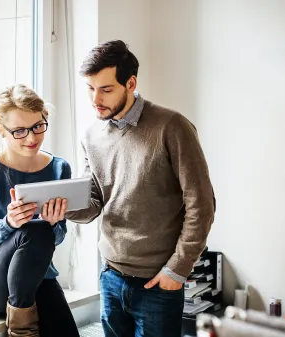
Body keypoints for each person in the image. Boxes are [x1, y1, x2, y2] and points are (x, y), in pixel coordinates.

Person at [65, 40, 216, 337]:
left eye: (106, 89)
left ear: (130, 83)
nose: (96, 99)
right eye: (90, 88)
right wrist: (62, 208)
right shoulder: (91, 135)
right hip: (110, 276)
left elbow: (202, 203)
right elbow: (94, 200)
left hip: (158, 281)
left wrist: (178, 269)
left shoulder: (172, 126)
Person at [0, 84, 79, 337]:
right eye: (19, 131)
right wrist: (9, 223)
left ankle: (24, 321)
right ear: (0, 130)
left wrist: (53, 223)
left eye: (38, 126)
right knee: (32, 231)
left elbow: (55, 239)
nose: (32, 138)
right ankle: (21, 332)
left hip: (37, 279)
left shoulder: (59, 169)